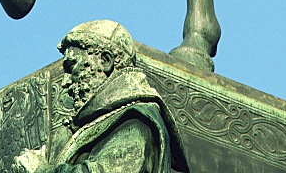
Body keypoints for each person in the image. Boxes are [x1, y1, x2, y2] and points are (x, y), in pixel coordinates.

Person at [12, 21, 188, 173]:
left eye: (72, 66)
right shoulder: (100, 122)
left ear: (105, 61)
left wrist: (40, 169)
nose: (66, 82)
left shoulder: (136, 121)